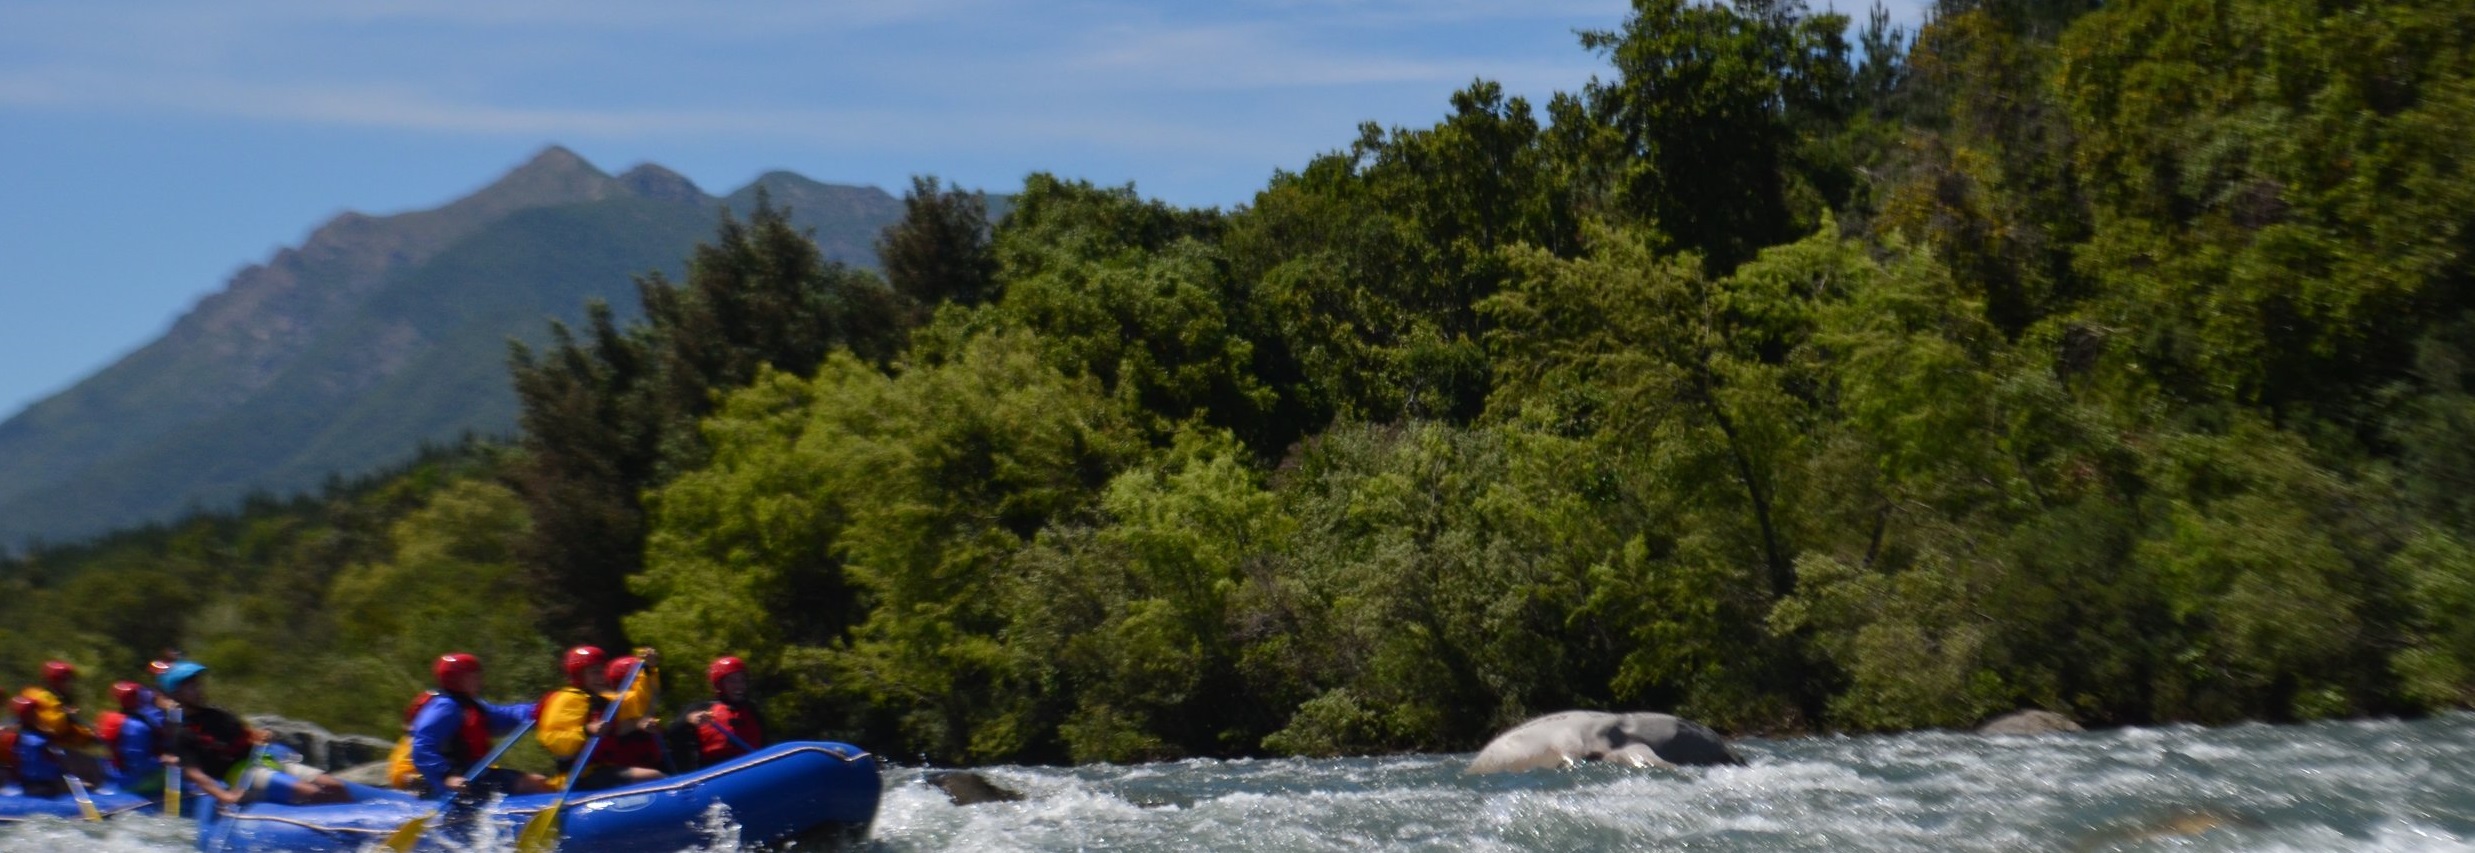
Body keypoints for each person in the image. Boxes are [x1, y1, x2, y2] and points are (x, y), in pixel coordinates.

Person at [159, 661, 353, 806]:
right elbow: (195, 775)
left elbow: (248, 734)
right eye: (192, 687)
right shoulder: (182, 733)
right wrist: (225, 796)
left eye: (199, 685)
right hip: (240, 774)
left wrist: (262, 734)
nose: (199, 690)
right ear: (177, 695)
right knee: (311, 793)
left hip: (265, 760)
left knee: (335, 786)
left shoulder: (218, 713)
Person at [403, 652, 547, 799]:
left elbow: (504, 716)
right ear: (458, 680)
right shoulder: (445, 708)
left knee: (538, 781)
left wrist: (538, 710)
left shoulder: (468, 704)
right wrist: (447, 777)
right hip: (458, 779)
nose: (479, 679)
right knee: (533, 784)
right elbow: (422, 747)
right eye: (473, 675)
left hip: (474, 773)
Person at [537, 648, 665, 791]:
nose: (601, 678)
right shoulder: (567, 699)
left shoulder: (602, 698)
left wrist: (648, 669)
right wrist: (586, 731)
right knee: (653, 776)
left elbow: (641, 703)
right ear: (579, 675)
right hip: (578, 774)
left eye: (602, 672)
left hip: (604, 768)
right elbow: (552, 739)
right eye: (594, 673)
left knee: (655, 773)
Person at [17, 660, 104, 783]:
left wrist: (91, 735)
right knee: (95, 767)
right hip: (46, 753)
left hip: (46, 751)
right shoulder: (45, 698)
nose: (69, 684)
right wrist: (93, 734)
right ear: (54, 681)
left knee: (90, 763)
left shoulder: (52, 698)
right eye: (66, 680)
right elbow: (57, 727)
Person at [679, 656, 766, 769]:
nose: (739, 686)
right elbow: (673, 731)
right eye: (732, 681)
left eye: (742, 680)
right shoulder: (702, 708)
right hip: (716, 771)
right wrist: (690, 719)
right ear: (719, 685)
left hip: (750, 767)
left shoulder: (752, 710)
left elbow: (764, 743)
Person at [96, 680, 169, 797]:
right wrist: (162, 761)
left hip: (115, 776)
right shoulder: (136, 727)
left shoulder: (115, 720)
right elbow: (138, 765)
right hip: (135, 781)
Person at [8, 695, 70, 798]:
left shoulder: (25, 736)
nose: (37, 715)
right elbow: (60, 760)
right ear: (26, 716)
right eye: (33, 712)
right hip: (41, 787)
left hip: (29, 785)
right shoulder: (39, 740)